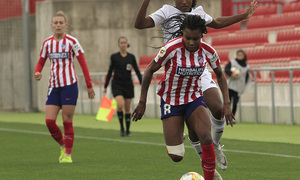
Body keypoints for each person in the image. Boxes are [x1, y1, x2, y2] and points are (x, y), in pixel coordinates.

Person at [134, 0, 257, 171]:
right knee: (191, 136)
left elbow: (219, 23)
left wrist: (243, 16)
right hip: (177, 72)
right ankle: (194, 146)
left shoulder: (198, 13)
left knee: (218, 108)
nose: (184, 1)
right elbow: (139, 24)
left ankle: (215, 146)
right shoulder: (166, 11)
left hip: (198, 71)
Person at [132, 15, 233, 180]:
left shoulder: (208, 51)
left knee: (206, 137)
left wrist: (227, 103)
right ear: (182, 35)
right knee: (176, 156)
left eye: (196, 38)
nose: (191, 42)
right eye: (187, 38)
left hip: (194, 98)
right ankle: (179, 132)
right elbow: (149, 70)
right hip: (171, 101)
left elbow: (220, 75)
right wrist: (142, 101)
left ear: (202, 35)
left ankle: (210, 175)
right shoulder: (170, 49)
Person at [34, 11, 95, 163]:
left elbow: (83, 63)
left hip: (69, 85)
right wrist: (38, 71)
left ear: (65, 25)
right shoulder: (47, 43)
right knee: (49, 121)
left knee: (67, 120)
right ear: (52, 26)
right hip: (54, 87)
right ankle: (63, 145)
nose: (59, 25)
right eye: (56, 23)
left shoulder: (72, 42)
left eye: (61, 23)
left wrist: (89, 85)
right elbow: (41, 61)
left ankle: (67, 155)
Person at [104, 36, 142, 137]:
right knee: (120, 105)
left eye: (125, 42)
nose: (123, 44)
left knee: (127, 108)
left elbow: (137, 70)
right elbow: (109, 71)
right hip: (117, 84)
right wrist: (105, 85)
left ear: (127, 44)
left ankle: (128, 130)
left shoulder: (131, 57)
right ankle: (121, 128)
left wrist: (142, 82)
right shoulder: (114, 57)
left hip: (128, 85)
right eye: (121, 42)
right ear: (119, 44)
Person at [225, 49, 251, 122]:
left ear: (244, 56)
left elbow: (246, 77)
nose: (239, 57)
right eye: (238, 55)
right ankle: (226, 117)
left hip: (239, 87)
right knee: (228, 103)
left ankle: (232, 118)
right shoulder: (232, 62)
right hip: (230, 86)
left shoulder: (247, 67)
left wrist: (244, 85)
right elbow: (226, 69)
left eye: (241, 55)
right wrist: (231, 74)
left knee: (235, 103)